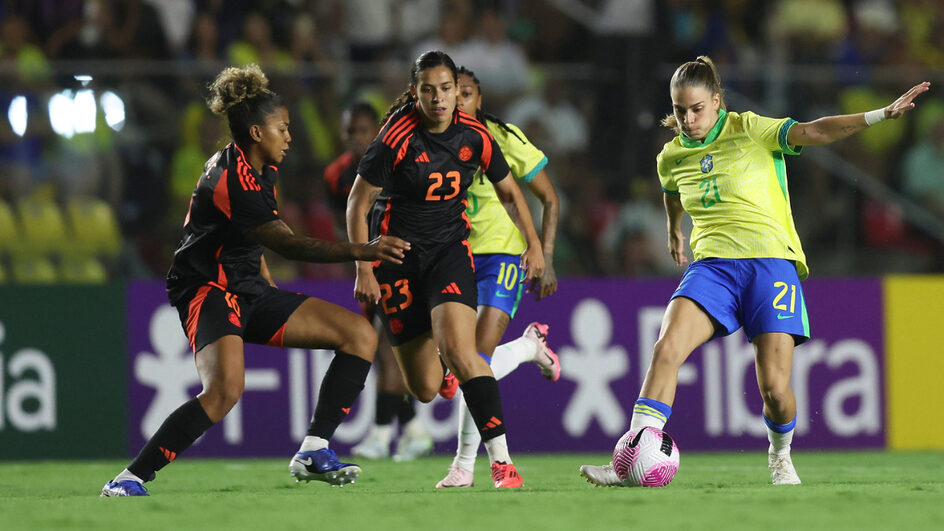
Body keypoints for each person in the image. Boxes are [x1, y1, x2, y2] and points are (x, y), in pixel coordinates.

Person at [578, 56, 929, 487]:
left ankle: (780, 455)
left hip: (770, 264)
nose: (688, 120)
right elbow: (671, 192)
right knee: (666, 348)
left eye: (697, 109)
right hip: (713, 268)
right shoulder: (670, 157)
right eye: (680, 110)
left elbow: (816, 131)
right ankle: (629, 460)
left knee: (775, 391)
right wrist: (673, 231)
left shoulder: (750, 129)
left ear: (717, 100)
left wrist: (881, 114)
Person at [101, 64, 410, 497]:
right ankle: (129, 478)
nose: (290, 137)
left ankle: (314, 449)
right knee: (224, 391)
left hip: (248, 287)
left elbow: (253, 237)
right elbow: (288, 244)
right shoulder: (231, 177)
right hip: (208, 289)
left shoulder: (262, 167)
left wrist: (266, 287)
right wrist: (363, 250)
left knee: (359, 335)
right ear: (255, 132)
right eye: (282, 128)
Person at [347, 50, 545, 488]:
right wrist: (364, 267)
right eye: (428, 90)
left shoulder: (476, 134)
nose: (438, 98)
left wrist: (533, 243)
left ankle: (502, 463)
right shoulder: (395, 136)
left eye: (446, 88)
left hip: (448, 254)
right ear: (414, 92)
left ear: (458, 91)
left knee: (463, 351)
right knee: (424, 387)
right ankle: (455, 352)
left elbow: (510, 193)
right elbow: (357, 203)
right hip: (396, 261)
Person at [435, 66, 562, 488]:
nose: (459, 101)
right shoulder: (431, 141)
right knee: (463, 362)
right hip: (454, 255)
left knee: (476, 361)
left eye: (467, 93)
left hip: (503, 254)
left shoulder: (502, 138)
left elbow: (549, 197)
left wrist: (544, 254)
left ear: (479, 99)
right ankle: (529, 348)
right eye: (453, 93)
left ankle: (463, 467)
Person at [324, 101, 434, 461]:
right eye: (350, 131)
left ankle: (382, 432)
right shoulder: (336, 176)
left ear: (377, 130)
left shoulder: (397, 160)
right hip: (370, 267)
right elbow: (344, 222)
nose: (356, 138)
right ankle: (413, 430)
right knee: (385, 352)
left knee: (388, 350)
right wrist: (361, 261)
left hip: (401, 266)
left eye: (363, 130)